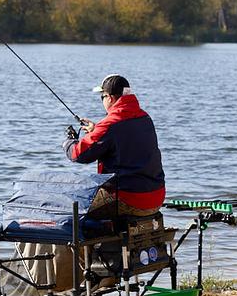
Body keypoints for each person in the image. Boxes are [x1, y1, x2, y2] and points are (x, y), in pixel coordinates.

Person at [62, 74, 165, 218]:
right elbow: (124, 137)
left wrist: (69, 141)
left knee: (71, 207)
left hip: (128, 199)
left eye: (102, 97)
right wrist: (96, 130)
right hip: (156, 197)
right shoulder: (145, 117)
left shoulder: (110, 124)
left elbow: (78, 154)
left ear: (109, 98)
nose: (102, 101)